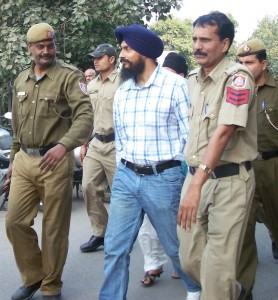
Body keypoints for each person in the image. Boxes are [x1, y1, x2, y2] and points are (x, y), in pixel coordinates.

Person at [99, 24, 201, 300]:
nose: (121, 55)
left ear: (144, 52)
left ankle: (195, 289)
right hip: (126, 178)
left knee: (176, 245)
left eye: (126, 49)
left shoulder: (176, 86)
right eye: (122, 49)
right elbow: (121, 137)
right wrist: (123, 168)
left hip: (164, 179)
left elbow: (188, 136)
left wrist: (186, 179)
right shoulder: (123, 92)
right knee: (115, 246)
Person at [5, 23, 93, 300]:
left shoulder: (69, 77)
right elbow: (18, 123)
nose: (46, 51)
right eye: (40, 46)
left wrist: (64, 146)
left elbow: (85, 117)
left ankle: (51, 286)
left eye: (50, 45)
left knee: (54, 228)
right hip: (23, 160)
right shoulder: (21, 79)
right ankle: (34, 276)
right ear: (30, 48)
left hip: (54, 162)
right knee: (15, 222)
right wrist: (12, 161)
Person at [177, 11, 257, 300]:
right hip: (196, 176)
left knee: (219, 268)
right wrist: (194, 181)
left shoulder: (238, 78)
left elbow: (224, 132)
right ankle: (231, 292)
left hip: (229, 181)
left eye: (205, 40)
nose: (198, 45)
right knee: (189, 259)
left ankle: (222, 291)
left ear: (224, 44)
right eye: (195, 39)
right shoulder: (193, 81)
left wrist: (197, 184)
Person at [138, 51, 188, 286]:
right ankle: (152, 265)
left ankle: (184, 265)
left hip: (180, 168)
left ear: (181, 76)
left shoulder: (186, 92)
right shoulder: (145, 91)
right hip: (148, 168)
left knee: (179, 221)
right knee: (148, 222)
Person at [236, 38, 278, 299]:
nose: (243, 67)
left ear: (263, 64)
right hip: (246, 169)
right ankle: (244, 289)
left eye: (249, 62)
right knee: (243, 233)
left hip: (274, 167)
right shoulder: (236, 90)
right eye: (240, 62)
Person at [79, 43, 121, 253]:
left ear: (112, 59)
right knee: (88, 186)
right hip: (96, 144)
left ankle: (119, 235)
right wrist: (84, 145)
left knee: (121, 194)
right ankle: (99, 233)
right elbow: (88, 118)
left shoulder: (124, 81)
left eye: (99, 57)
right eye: (93, 57)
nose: (95, 61)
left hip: (117, 145)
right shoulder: (91, 85)